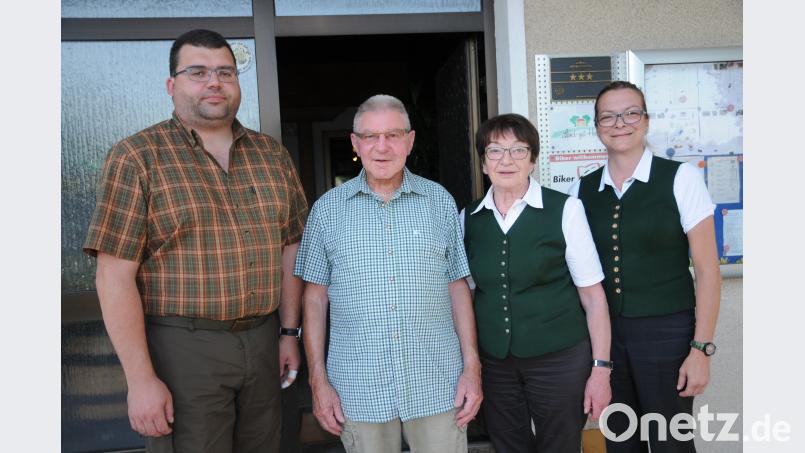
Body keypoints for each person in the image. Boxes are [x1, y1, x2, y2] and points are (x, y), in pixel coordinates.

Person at [83, 29, 308, 452]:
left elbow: (292, 247)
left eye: (225, 72)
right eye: (198, 72)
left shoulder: (271, 155)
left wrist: (288, 333)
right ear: (172, 85)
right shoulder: (137, 157)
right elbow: (113, 277)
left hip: (263, 340)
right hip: (183, 348)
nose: (214, 82)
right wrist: (141, 379)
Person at [294, 94, 482, 453]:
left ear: (410, 141)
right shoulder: (326, 211)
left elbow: (458, 287)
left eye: (393, 135)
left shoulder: (438, 201)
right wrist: (318, 381)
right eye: (370, 136)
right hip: (359, 387)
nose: (382, 146)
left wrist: (472, 368)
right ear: (355, 143)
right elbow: (314, 299)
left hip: (437, 382)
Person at [569, 80, 721, 453]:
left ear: (646, 120)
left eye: (630, 113)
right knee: (620, 443)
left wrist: (700, 349)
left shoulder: (680, 178)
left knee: (671, 443)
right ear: (597, 125)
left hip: (668, 334)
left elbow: (707, 271)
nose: (620, 123)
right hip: (606, 339)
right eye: (608, 116)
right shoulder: (582, 191)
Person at [461, 113, 612, 453]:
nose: (507, 160)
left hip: (559, 359)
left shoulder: (565, 210)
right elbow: (467, 295)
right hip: (496, 362)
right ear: (484, 163)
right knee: (508, 445)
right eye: (495, 151)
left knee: (560, 445)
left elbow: (593, 297)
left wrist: (600, 369)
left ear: (533, 159)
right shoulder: (468, 218)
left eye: (518, 150)